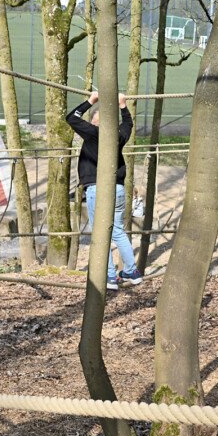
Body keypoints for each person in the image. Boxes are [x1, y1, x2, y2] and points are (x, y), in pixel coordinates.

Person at [65, 91, 142, 291]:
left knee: (100, 232)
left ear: (93, 122)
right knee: (117, 230)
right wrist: (123, 105)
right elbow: (128, 125)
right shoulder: (118, 136)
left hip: (97, 188)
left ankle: (109, 275)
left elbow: (71, 118)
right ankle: (132, 271)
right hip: (117, 188)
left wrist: (91, 100)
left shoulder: (92, 132)